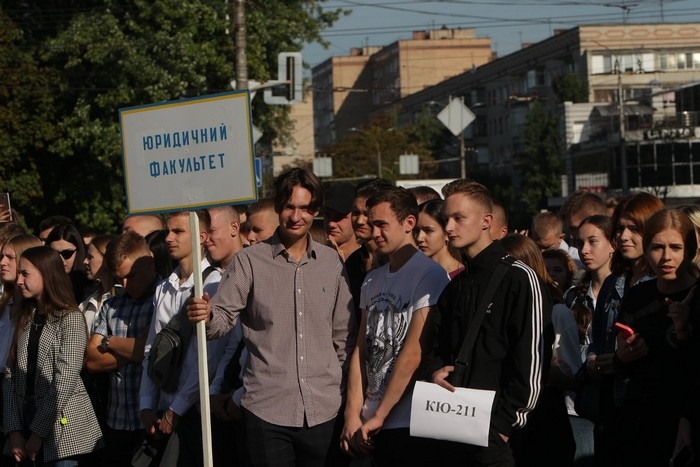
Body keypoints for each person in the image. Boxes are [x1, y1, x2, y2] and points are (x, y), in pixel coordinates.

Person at [187, 168, 357, 467]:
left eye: (305, 208)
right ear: (278, 207)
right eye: (289, 206)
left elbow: (343, 335)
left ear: (315, 211)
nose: (296, 216)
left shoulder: (331, 262)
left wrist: (339, 390)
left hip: (325, 409)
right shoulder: (248, 262)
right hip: (266, 410)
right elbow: (221, 320)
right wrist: (207, 315)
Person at [423, 179, 550, 467]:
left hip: (496, 433)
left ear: (486, 221)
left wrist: (505, 425)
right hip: (451, 423)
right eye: (446, 219)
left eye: (459, 218)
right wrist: (434, 372)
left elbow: (531, 360)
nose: (449, 227)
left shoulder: (519, 278)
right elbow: (435, 347)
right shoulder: (456, 286)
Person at [341, 186, 449, 466]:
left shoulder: (430, 275)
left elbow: (414, 353)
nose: (374, 233)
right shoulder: (371, 279)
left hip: (406, 421)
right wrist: (352, 414)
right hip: (367, 421)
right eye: (371, 224)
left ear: (409, 222)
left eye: (382, 224)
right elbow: (361, 349)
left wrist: (381, 415)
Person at [613, 209, 700, 467]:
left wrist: (684, 332)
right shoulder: (637, 295)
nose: (666, 257)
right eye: (657, 247)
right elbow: (623, 362)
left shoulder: (697, 297)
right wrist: (623, 355)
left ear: (690, 250)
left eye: (675, 247)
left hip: (686, 421)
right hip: (639, 421)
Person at [3, 246, 104, 466]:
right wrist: (14, 431)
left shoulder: (70, 319)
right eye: (19, 273)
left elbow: (64, 381)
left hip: (62, 425)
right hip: (24, 419)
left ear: (46, 274)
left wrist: (38, 433)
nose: (19, 280)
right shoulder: (26, 316)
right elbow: (10, 374)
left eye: (25, 274)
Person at [139, 210, 223, 467]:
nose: (169, 238)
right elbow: (152, 349)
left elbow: (208, 359)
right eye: (168, 231)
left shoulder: (216, 283)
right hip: (163, 408)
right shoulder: (163, 288)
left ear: (202, 236)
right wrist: (146, 405)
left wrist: (176, 409)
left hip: (197, 412)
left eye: (178, 231)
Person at [585, 191, 663, 465]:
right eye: (620, 228)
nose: (625, 236)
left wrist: (624, 359)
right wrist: (592, 361)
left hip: (650, 414)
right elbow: (596, 340)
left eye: (634, 228)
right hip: (609, 410)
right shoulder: (613, 282)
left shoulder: (664, 284)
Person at [85, 232, 159, 467]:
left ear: (149, 263)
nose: (125, 285)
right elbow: (92, 361)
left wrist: (110, 343)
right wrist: (135, 349)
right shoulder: (112, 305)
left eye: (131, 276)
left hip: (150, 420)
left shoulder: (163, 300)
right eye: (119, 278)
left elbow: (153, 352)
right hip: (116, 421)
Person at [499, 233, 574, 467]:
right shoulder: (498, 308)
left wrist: (537, 365)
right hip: (504, 411)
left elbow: (573, 374)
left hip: (544, 414)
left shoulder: (556, 310)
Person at [559, 215, 614, 466]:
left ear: (612, 244)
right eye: (580, 243)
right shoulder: (573, 295)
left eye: (593, 241)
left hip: (615, 399)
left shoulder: (628, 292)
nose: (584, 250)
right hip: (577, 403)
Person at [0, 234, 42, 464]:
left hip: (22, 402)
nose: (2, 262)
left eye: (10, 257)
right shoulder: (3, 306)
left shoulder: (37, 314)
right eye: (1, 256)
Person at [415, 199, 463, 279]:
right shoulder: (415, 273)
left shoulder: (460, 277)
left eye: (428, 230)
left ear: (446, 233)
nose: (419, 238)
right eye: (416, 230)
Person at [81, 234, 117, 332]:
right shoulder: (87, 302)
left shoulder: (122, 299)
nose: (85, 261)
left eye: (90, 257)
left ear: (106, 260)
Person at [45, 223, 89, 303]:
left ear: (78, 252)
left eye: (67, 253)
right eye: (55, 254)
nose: (61, 259)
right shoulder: (42, 285)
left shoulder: (91, 289)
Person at [323, 183, 361, 261]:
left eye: (339, 217)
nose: (331, 224)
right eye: (327, 215)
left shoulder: (370, 260)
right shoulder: (313, 258)